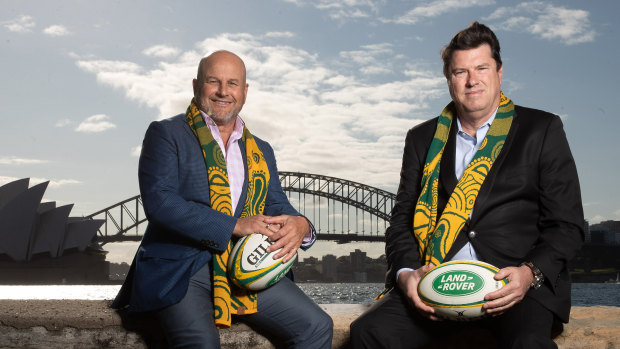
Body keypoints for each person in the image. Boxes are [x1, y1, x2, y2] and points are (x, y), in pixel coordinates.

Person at [350, 22, 584, 349]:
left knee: (529, 344)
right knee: (367, 333)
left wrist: (530, 273)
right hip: (438, 284)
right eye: (460, 72)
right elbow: (402, 220)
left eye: (481, 68)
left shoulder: (541, 129)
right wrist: (406, 275)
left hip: (514, 288)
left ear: (499, 73)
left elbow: (567, 225)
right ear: (449, 80)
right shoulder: (422, 138)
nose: (472, 80)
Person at [111, 50, 333, 349]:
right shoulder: (167, 133)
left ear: (244, 91)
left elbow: (276, 203)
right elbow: (160, 202)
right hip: (182, 269)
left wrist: (302, 224)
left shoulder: (261, 149)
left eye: (232, 83)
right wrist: (234, 225)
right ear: (196, 86)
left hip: (245, 266)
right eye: (213, 81)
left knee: (316, 327)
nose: (223, 91)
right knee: (201, 344)